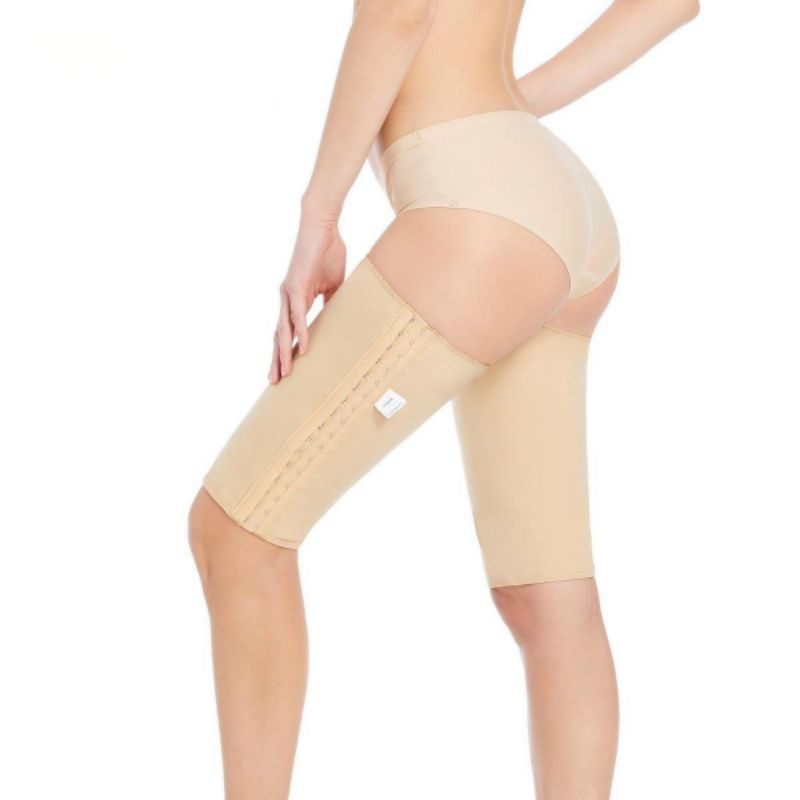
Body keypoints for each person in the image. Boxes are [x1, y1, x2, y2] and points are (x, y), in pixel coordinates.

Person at [189, 1, 700, 797]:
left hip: (477, 209)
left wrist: (320, 214)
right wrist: (517, 107)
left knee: (237, 533)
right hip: (548, 193)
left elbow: (400, 11)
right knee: (545, 595)